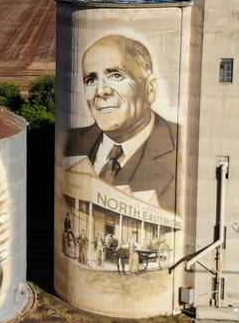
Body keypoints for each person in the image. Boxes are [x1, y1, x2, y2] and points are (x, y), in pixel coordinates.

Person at [65, 35, 178, 210]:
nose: (101, 90)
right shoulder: (69, 141)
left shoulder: (183, 145)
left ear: (150, 88)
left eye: (116, 75)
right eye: (91, 80)